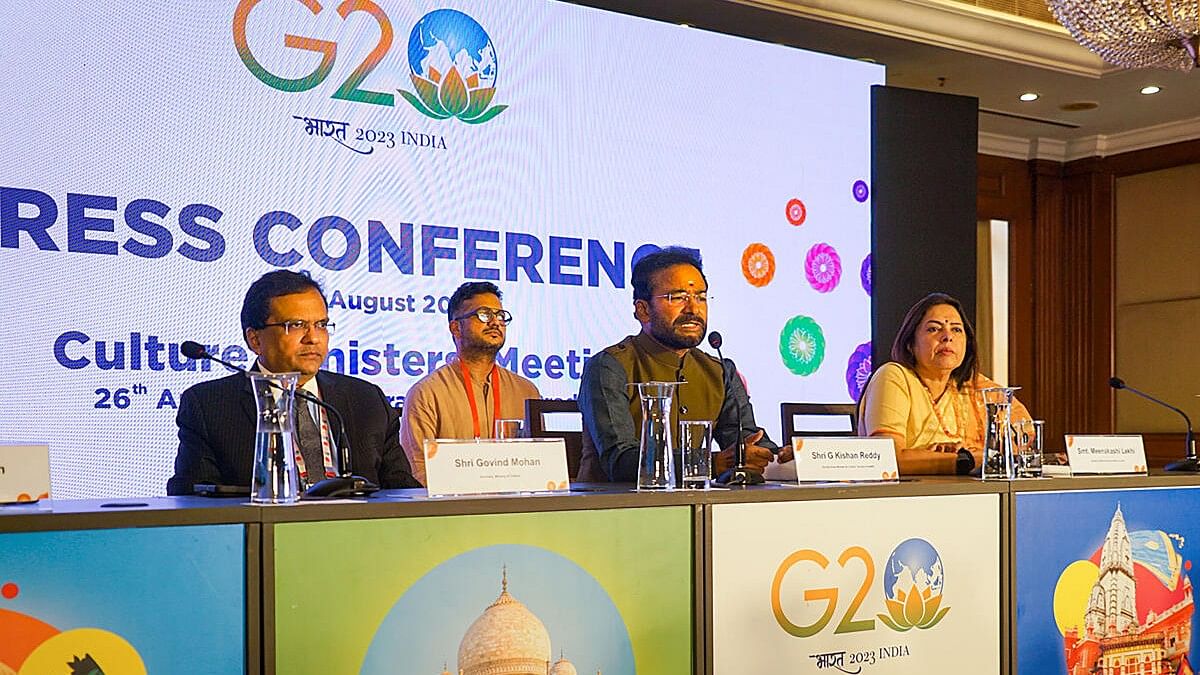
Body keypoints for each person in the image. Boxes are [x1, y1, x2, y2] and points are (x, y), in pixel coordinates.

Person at [166, 270, 419, 494]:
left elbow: (403, 491)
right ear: (255, 340)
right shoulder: (210, 406)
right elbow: (192, 498)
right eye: (296, 325)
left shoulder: (366, 399)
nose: (313, 338)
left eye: (321, 325)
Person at [577, 247, 786, 482]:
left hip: (703, 509)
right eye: (677, 298)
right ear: (643, 310)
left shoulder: (720, 370)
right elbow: (620, 461)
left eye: (701, 297)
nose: (693, 309)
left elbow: (745, 438)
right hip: (614, 509)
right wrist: (710, 463)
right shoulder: (609, 367)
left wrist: (779, 456)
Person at [858, 292, 1031, 475]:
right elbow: (885, 458)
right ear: (910, 343)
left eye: (956, 329)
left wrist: (969, 451)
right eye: (934, 329)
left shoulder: (975, 386)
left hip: (974, 494)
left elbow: (1026, 438)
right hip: (904, 497)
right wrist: (964, 460)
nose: (947, 336)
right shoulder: (894, 376)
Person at [400, 282, 541, 485]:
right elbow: (419, 472)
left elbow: (539, 463)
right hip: (453, 511)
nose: (495, 323)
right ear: (456, 327)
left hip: (516, 508)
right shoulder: (427, 393)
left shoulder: (526, 391)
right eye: (484, 314)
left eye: (500, 316)